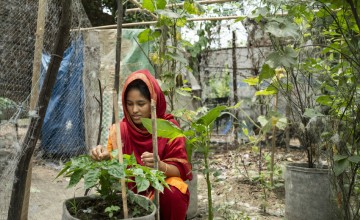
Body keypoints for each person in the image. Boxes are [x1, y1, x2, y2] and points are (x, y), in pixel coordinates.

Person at [91, 69, 192, 220]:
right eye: (129, 104)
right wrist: (103, 155)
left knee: (174, 191)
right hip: (128, 190)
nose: (134, 110)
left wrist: (160, 165)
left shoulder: (169, 128)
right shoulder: (120, 130)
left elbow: (180, 169)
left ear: (154, 103)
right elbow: (113, 166)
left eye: (141, 104)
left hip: (160, 189)